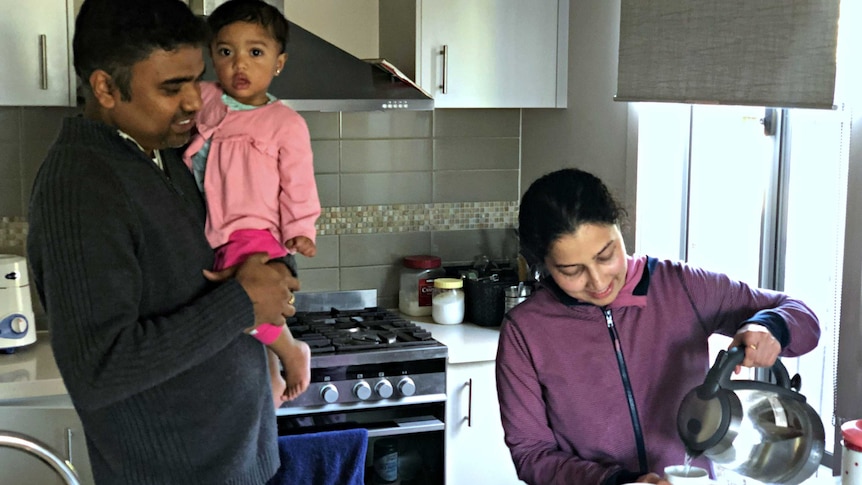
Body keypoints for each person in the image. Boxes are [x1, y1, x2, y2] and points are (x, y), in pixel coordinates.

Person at [26, 0, 299, 483]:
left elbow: (235, 233)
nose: (195, 101)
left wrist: (274, 271)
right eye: (172, 87)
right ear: (106, 88)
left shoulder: (166, 151)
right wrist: (243, 304)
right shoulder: (82, 186)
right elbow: (101, 369)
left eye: (197, 79)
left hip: (240, 459)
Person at [496, 168, 821, 485]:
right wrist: (616, 481)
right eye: (571, 270)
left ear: (620, 228)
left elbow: (801, 316)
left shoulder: (680, 286)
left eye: (605, 255)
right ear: (543, 264)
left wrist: (771, 328)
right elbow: (532, 454)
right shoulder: (525, 331)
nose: (597, 281)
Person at [183, 0, 319, 405]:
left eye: (255, 52)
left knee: (240, 301)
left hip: (255, 231)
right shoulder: (207, 98)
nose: (239, 64)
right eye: (226, 52)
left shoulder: (286, 124)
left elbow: (299, 184)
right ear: (212, 57)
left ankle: (291, 352)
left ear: (278, 63)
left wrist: (300, 229)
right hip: (215, 232)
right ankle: (271, 368)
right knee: (227, 306)